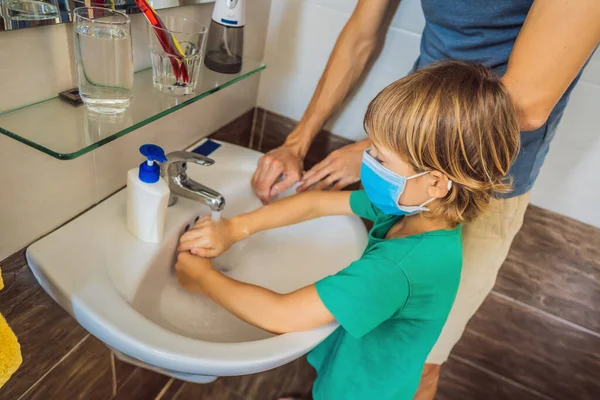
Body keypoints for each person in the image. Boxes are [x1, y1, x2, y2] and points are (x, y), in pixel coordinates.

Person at [250, 1, 600, 397]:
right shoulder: (401, 200)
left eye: (375, 159)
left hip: (466, 172)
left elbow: (527, 105)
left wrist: (383, 145)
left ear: (435, 183)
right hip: (409, 161)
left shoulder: (420, 238)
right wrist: (299, 142)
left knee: (422, 361)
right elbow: (362, 31)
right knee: (369, 335)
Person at [175, 61, 520, 399]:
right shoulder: (415, 212)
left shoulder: (398, 269)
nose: (366, 160)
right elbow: (317, 203)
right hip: (363, 375)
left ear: (435, 182)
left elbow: (280, 314)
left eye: (381, 158)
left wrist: (201, 276)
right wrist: (236, 227)